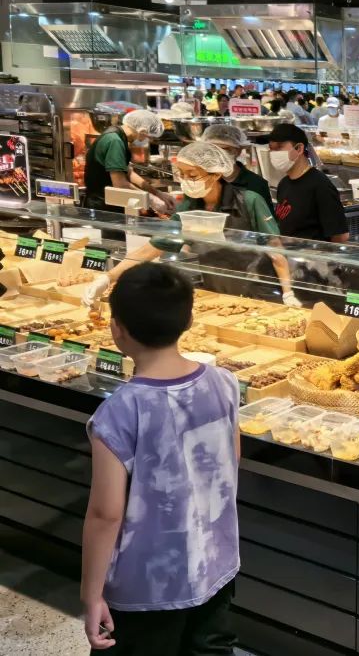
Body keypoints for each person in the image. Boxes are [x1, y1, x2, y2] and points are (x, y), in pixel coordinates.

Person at [81, 263, 240, 654]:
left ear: (116, 329)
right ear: (189, 320)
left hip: (148, 585)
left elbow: (105, 514)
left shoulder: (118, 413)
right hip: (214, 565)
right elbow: (231, 462)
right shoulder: (224, 383)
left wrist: (91, 593)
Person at [82, 141, 298, 306]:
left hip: (256, 289)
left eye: (192, 175)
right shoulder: (189, 207)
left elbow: (275, 249)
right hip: (214, 289)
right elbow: (153, 247)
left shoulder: (250, 201)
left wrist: (288, 293)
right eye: (182, 174)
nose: (185, 180)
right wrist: (108, 278)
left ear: (216, 174)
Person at [266, 124, 349, 243]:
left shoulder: (320, 185)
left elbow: (340, 236)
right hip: (290, 253)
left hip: (313, 254)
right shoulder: (283, 184)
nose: (274, 153)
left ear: (299, 149)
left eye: (279, 147)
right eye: (271, 148)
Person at [82, 109, 173, 215]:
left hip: (107, 202)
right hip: (102, 206)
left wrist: (156, 193)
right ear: (142, 131)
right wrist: (150, 199)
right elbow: (120, 184)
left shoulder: (116, 134)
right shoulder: (115, 141)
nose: (148, 141)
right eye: (149, 137)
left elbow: (128, 172)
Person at [202, 123, 273, 210]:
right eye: (212, 149)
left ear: (238, 150)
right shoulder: (201, 180)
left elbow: (265, 216)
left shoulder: (256, 184)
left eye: (224, 149)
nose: (218, 154)